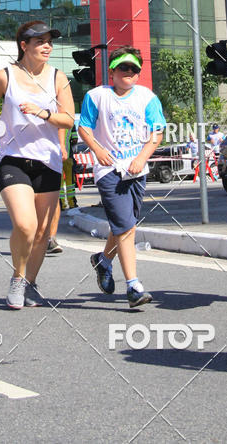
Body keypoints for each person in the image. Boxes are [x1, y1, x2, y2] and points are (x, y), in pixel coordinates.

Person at [0, 20, 74, 309]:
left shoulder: (58, 78)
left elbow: (68, 119)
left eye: (49, 41)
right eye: (40, 41)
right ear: (24, 46)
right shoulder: (5, 76)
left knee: (43, 232)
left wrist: (44, 113)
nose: (47, 46)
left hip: (49, 161)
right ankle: (18, 278)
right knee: (25, 224)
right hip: (12, 158)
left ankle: (30, 284)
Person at [79, 47, 165, 308]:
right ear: (112, 71)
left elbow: (157, 132)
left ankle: (103, 261)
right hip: (108, 171)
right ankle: (133, 286)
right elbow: (83, 127)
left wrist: (142, 157)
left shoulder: (147, 98)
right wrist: (98, 150)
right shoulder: (96, 96)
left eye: (134, 69)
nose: (129, 73)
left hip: (137, 170)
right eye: (124, 68)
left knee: (125, 225)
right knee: (126, 227)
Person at [59, 120, 78, 211]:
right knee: (70, 181)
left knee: (60, 182)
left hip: (57, 158)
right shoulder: (70, 123)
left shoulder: (54, 122)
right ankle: (72, 203)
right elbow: (75, 140)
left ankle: (61, 204)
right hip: (68, 156)